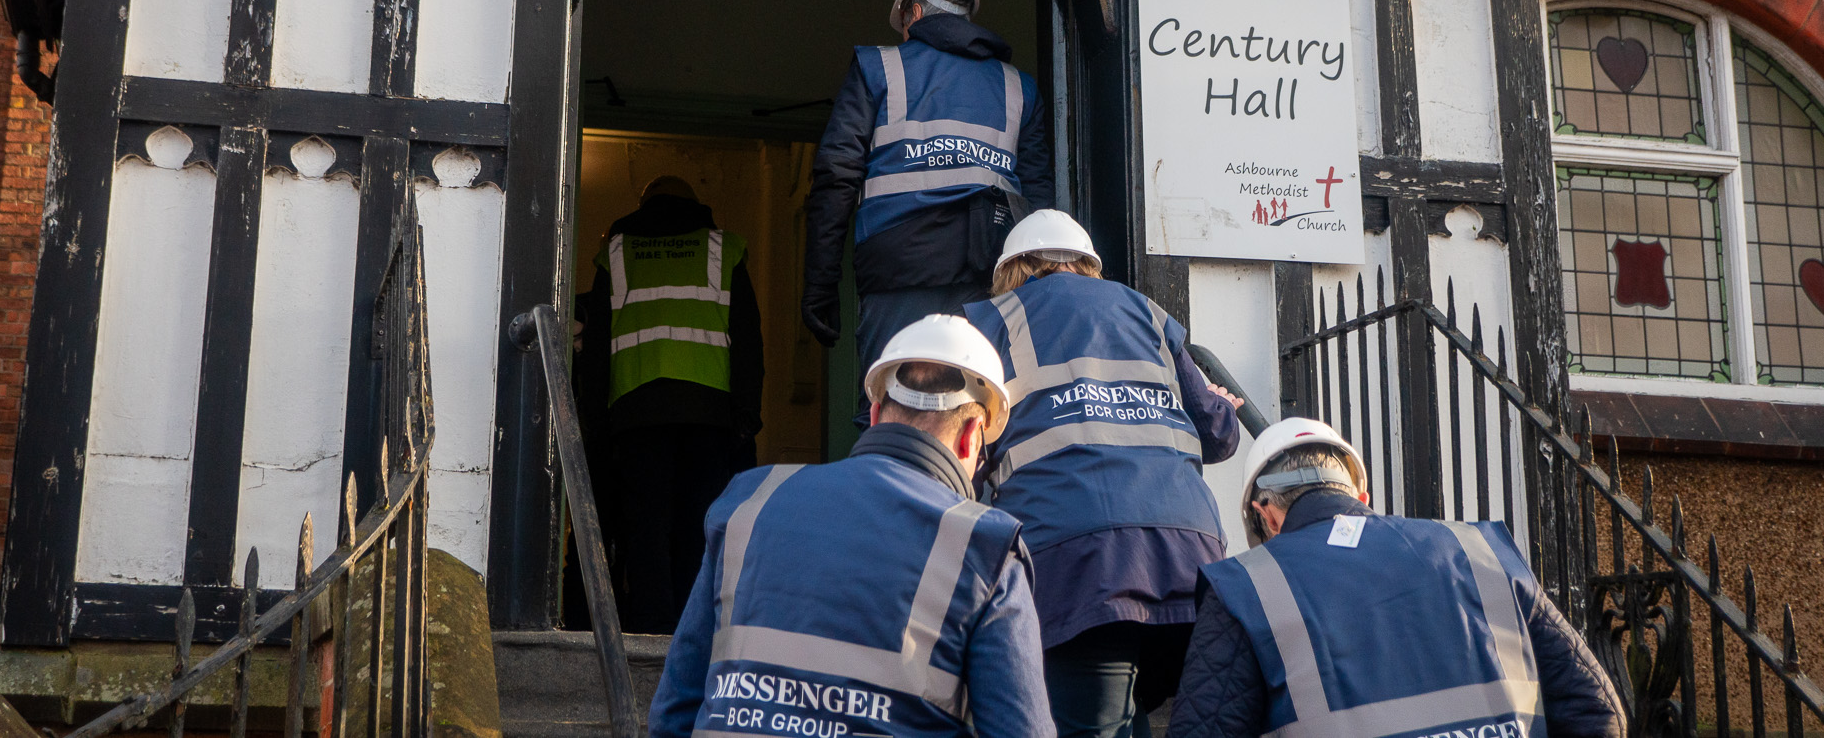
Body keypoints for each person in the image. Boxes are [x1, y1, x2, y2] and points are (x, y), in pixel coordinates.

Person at [650, 315, 1056, 738]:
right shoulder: (983, 547)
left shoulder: (749, 501)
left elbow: (673, 712)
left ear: (877, 413)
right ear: (973, 436)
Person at [963, 211, 1245, 738]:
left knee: (1091, 720)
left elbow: (963, 449)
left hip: (1078, 562)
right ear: (1089, 266)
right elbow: (1218, 435)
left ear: (1012, 269)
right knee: (1131, 715)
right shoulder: (1148, 313)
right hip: (1189, 559)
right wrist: (1221, 406)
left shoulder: (990, 323)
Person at [1169, 418, 1626, 738]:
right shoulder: (1479, 551)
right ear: (1360, 494)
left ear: (1264, 513)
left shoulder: (1248, 586)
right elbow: (1597, 711)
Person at [803, 0, 1054, 427]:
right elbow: (1039, 201)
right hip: (992, 273)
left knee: (890, 410)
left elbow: (836, 175)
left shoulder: (877, 68)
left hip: (899, 267)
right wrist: (1041, 292)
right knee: (982, 414)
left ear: (913, 13)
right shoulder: (1020, 88)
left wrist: (820, 284)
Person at [574, 175, 764, 634]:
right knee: (700, 523)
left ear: (644, 204)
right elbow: (748, 343)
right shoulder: (725, 250)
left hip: (636, 411)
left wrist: (593, 426)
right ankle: (693, 628)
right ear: (695, 204)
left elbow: (595, 350)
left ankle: (650, 628)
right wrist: (745, 415)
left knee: (645, 526)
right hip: (709, 414)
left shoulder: (616, 254)